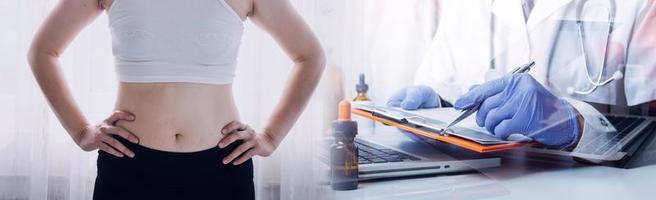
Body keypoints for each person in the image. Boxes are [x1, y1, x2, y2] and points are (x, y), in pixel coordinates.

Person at [27, 0, 325, 199]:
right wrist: (80, 131)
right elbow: (42, 51)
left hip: (221, 167)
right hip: (130, 166)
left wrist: (272, 136)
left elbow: (310, 56)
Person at [388, 0, 655, 149]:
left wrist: (573, 124)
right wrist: (438, 106)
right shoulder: (465, 6)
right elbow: (446, 80)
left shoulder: (640, 6)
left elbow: (651, 138)